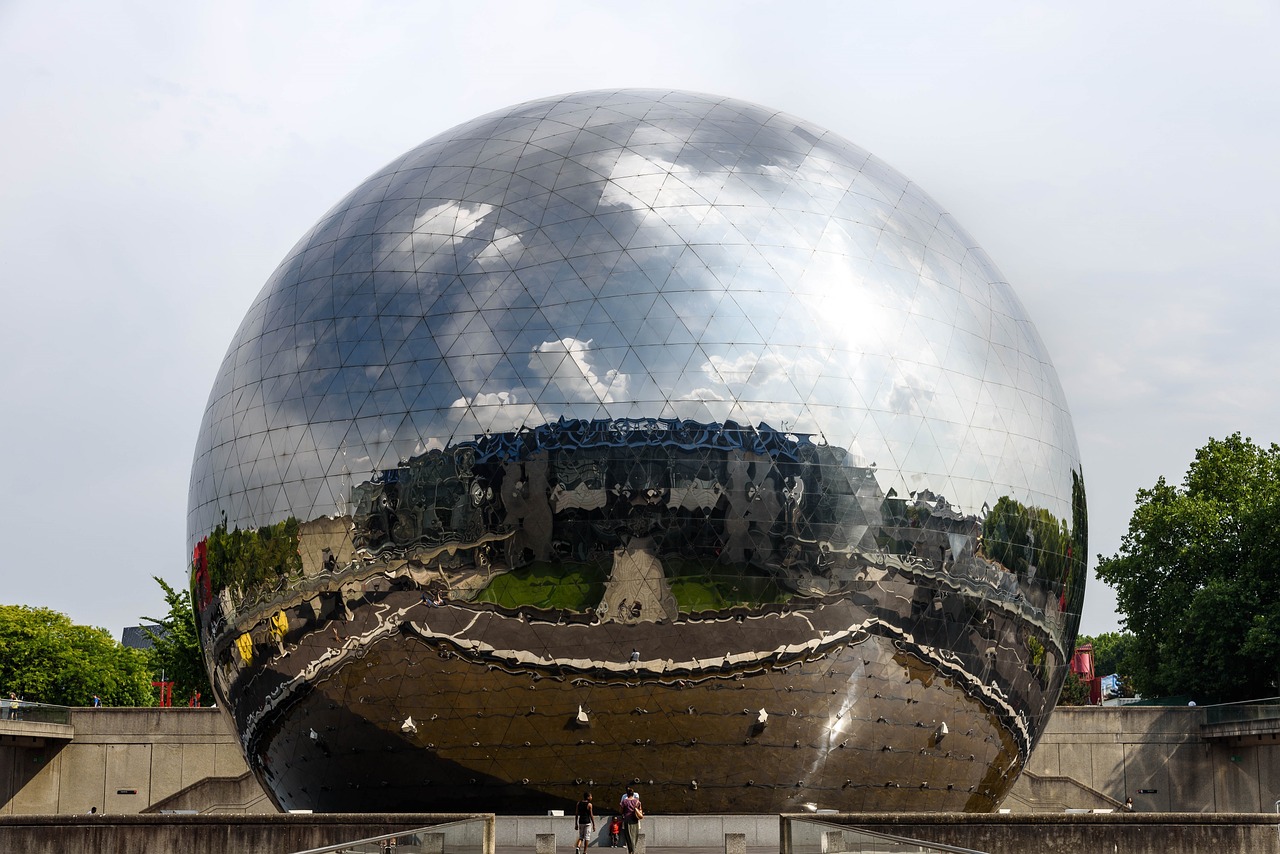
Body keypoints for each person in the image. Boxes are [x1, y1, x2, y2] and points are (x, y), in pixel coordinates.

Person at [619, 786, 642, 854]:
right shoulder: (638, 802)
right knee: (634, 836)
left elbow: (620, 811)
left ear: (627, 794)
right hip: (635, 820)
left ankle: (631, 851)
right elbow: (640, 811)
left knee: (628, 837)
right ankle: (633, 850)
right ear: (633, 794)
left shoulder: (624, 801)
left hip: (627, 820)